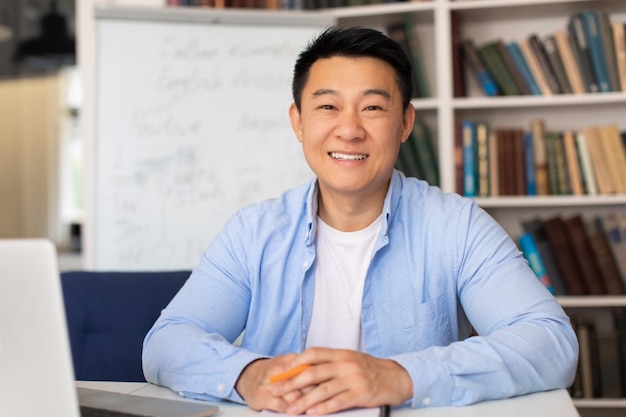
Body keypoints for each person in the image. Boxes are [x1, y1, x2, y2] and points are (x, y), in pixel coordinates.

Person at [142, 26, 578, 414]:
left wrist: (398, 377)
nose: (349, 130)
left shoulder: (456, 226)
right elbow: (166, 342)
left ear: (405, 122)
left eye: (372, 108)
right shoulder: (252, 232)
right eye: (328, 107)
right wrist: (247, 375)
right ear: (298, 122)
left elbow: (551, 343)